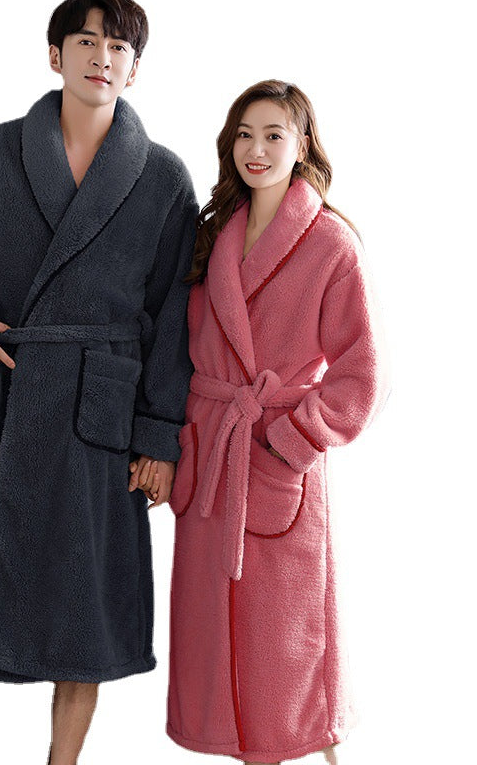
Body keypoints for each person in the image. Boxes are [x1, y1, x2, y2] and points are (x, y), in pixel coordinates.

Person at [0, 0, 197, 765]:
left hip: (101, 418)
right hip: (6, 401)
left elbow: (174, 318)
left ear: (135, 68)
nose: (102, 57)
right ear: (55, 55)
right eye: (86, 42)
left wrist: (160, 437)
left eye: (119, 46)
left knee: (82, 618)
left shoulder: (163, 178)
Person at [165, 80, 389, 764]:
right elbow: (179, 347)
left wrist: (293, 440)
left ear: (302, 145)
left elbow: (363, 374)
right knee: (218, 651)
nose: (256, 150)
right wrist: (170, 441)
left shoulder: (330, 244)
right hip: (212, 457)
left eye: (273, 135)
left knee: (290, 657)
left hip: (274, 461)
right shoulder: (212, 235)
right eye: (244, 134)